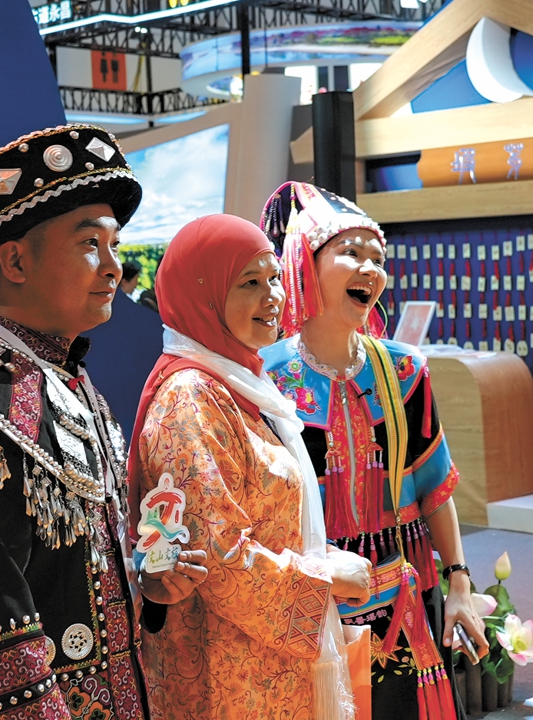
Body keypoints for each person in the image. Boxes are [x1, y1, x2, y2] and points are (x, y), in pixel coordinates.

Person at [0, 125, 206, 720]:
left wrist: (149, 588)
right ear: (17, 259)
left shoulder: (67, 381)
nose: (114, 268)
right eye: (89, 244)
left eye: (114, 244)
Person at [129, 214, 373, 720]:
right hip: (232, 678)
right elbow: (217, 558)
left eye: (275, 279)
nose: (273, 297)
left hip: (267, 664)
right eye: (249, 283)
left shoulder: (238, 383)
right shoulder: (191, 399)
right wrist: (323, 578)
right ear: (204, 295)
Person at [259, 182, 488, 720]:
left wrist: (459, 584)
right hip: (314, 592)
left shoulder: (405, 369)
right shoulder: (264, 376)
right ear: (304, 265)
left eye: (378, 258)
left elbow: (434, 486)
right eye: (351, 252)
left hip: (402, 586)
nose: (370, 269)